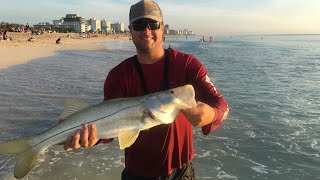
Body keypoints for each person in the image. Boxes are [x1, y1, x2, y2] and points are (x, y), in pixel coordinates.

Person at [63, 0, 229, 179]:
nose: (147, 30)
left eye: (153, 24)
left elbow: (221, 105)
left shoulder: (187, 65)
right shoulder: (118, 75)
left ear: (162, 28)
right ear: (130, 30)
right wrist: (92, 137)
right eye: (139, 24)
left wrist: (211, 115)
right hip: (136, 174)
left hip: (181, 173)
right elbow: (110, 127)